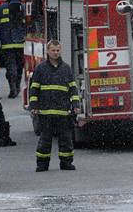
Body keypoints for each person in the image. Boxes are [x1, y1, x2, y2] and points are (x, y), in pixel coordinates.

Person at [29, 40, 81, 172]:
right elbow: (34, 89)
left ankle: (66, 163)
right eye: (53, 50)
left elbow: (73, 89)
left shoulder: (66, 69)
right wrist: (33, 106)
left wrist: (75, 104)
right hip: (45, 112)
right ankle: (42, 164)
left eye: (58, 50)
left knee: (66, 139)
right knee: (45, 140)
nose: (55, 53)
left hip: (63, 112)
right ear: (47, 51)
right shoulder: (40, 69)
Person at [0, 0, 26, 98]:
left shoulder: (2, 8)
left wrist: (2, 28)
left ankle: (13, 89)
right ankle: (17, 86)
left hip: (7, 43)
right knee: (19, 65)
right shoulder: (23, 7)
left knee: (10, 65)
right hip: (20, 42)